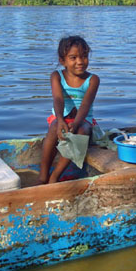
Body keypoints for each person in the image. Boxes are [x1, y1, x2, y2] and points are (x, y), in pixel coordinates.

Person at [40, 36, 100, 184]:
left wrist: (77, 123)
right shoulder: (56, 76)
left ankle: (55, 176)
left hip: (83, 119)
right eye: (73, 57)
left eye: (84, 56)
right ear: (63, 60)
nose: (80, 62)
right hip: (60, 117)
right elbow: (58, 99)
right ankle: (43, 175)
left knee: (79, 132)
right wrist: (60, 120)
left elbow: (85, 105)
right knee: (55, 128)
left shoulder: (93, 79)